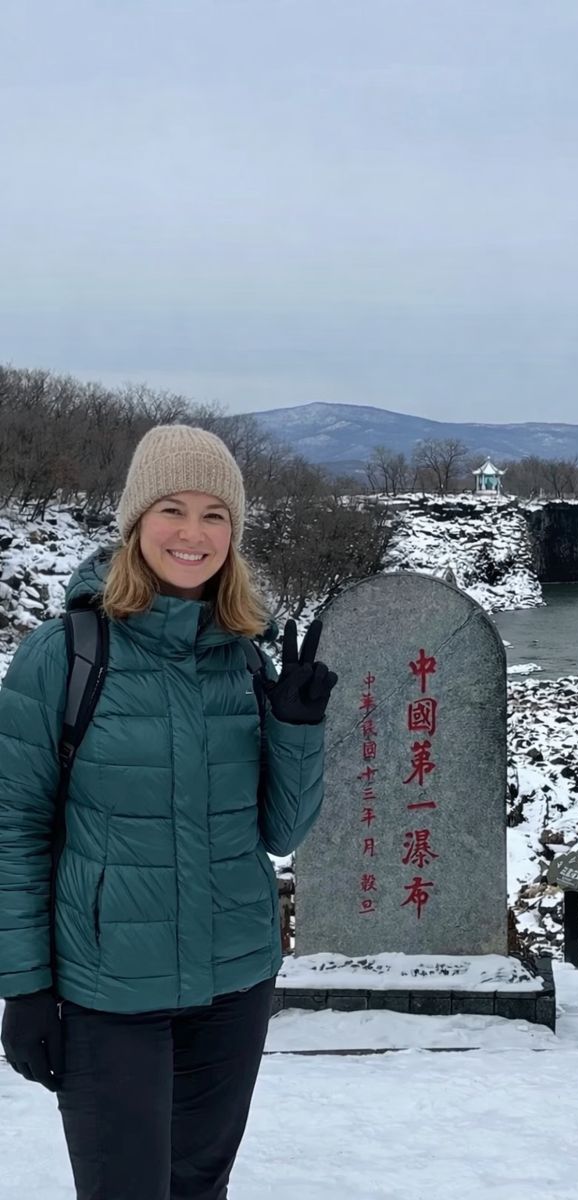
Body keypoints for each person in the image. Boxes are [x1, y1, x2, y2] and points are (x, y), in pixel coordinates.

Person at [0, 424, 337, 1200]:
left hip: (235, 981)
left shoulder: (245, 654)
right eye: (172, 509)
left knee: (198, 1186)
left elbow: (282, 832)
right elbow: (15, 830)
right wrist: (23, 987)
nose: (193, 533)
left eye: (215, 514)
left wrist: (297, 730)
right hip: (108, 991)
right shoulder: (66, 653)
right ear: (134, 522)